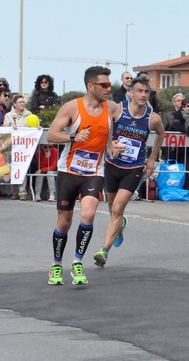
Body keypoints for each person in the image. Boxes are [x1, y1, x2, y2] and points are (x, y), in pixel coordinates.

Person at [46, 66, 121, 286]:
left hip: (94, 172)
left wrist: (111, 148)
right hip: (69, 171)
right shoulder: (72, 107)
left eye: (110, 84)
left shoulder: (111, 108)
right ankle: (56, 266)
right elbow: (51, 134)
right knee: (64, 222)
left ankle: (78, 263)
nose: (109, 89)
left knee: (88, 215)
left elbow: (108, 131)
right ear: (91, 86)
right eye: (104, 85)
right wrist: (74, 138)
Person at [93, 76, 166, 267]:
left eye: (146, 92)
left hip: (133, 168)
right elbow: (103, 124)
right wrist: (109, 144)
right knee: (111, 208)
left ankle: (104, 251)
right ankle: (120, 225)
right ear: (130, 93)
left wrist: (152, 158)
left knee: (118, 207)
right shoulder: (118, 109)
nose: (143, 95)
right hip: (112, 164)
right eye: (139, 91)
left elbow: (161, 133)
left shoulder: (153, 118)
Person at [3, 94, 33, 200]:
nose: (22, 104)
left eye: (23, 102)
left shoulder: (29, 114)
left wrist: (37, 127)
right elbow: (5, 129)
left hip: (24, 146)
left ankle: (22, 191)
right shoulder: (8, 116)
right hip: (12, 146)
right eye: (20, 102)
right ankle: (13, 191)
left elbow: (33, 126)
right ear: (14, 104)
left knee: (22, 167)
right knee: (12, 167)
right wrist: (11, 127)